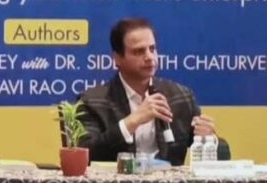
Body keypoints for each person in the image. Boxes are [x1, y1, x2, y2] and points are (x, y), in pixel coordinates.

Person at [77, 18, 215, 165]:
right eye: (139, 51)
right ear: (117, 58)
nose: (149, 57)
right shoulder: (91, 102)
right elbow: (84, 153)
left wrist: (209, 138)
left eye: (152, 49)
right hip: (118, 180)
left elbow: (219, 154)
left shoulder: (181, 96)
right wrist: (131, 122)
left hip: (169, 179)